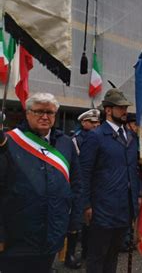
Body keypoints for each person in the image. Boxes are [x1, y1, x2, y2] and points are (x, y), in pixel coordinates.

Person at [0, 93, 82, 273]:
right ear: (27, 113)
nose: (45, 117)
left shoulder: (66, 144)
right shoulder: (9, 142)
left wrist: (74, 223)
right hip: (17, 237)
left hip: (52, 235)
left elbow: (76, 185)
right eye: (38, 112)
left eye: (50, 112)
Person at [80, 88, 141, 273]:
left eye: (125, 107)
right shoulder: (95, 136)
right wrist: (86, 204)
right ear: (108, 110)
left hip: (124, 207)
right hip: (103, 207)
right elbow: (84, 172)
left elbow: (134, 170)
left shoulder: (130, 136)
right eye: (120, 107)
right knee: (97, 256)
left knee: (114, 254)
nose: (125, 111)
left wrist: (137, 196)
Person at [69, 108, 101, 268]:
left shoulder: (99, 138)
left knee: (90, 222)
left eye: (97, 122)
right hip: (79, 184)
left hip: (94, 185)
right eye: (92, 122)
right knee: (77, 220)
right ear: (83, 122)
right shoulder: (76, 139)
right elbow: (78, 166)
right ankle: (71, 254)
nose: (96, 125)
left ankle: (88, 251)